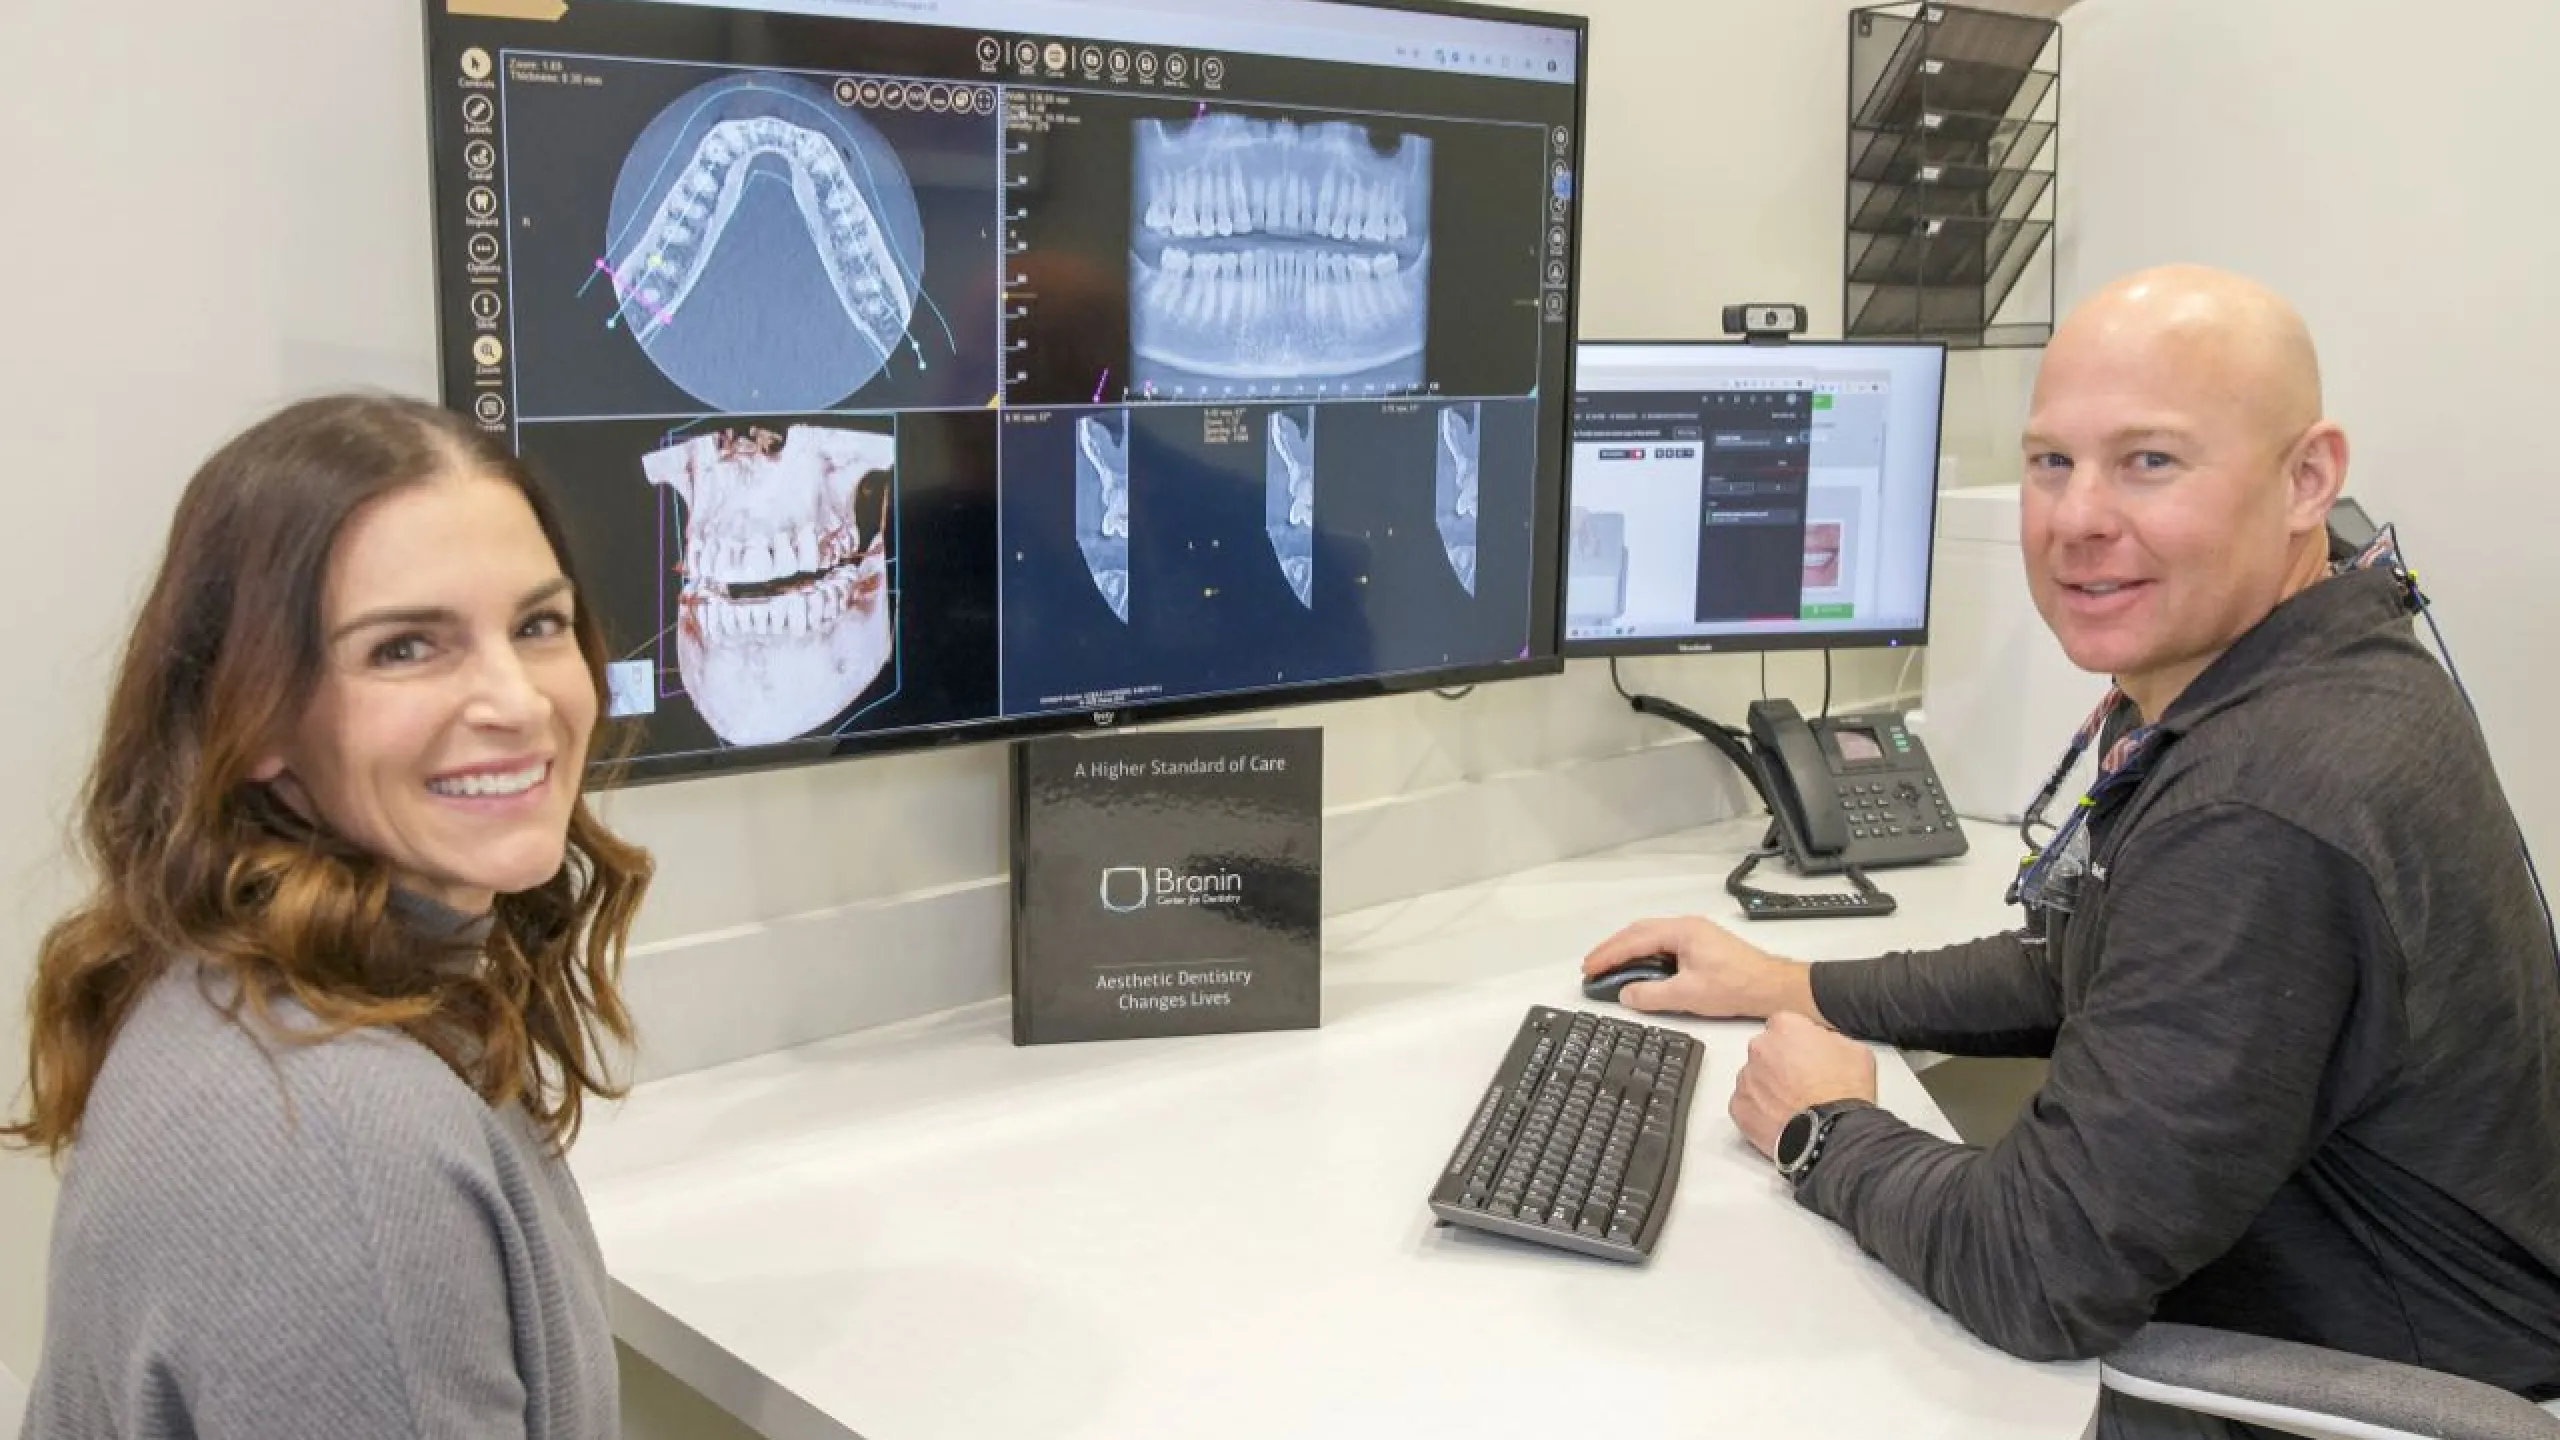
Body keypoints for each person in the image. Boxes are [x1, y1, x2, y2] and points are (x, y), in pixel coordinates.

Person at [1580, 265, 2560, 1436]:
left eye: (2149, 461)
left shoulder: (2260, 807)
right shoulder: (2326, 671)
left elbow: (2037, 1269)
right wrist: (1785, 980)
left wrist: (1821, 1128)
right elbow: (2084, 960)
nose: (2079, 518)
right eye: (2053, 462)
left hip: (2363, 1392)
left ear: (2308, 479)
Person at [8, 392, 654, 1438]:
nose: (521, 701)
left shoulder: (253, 993)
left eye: (537, 625)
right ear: (254, 715)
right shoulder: (342, 1142)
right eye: (406, 647)